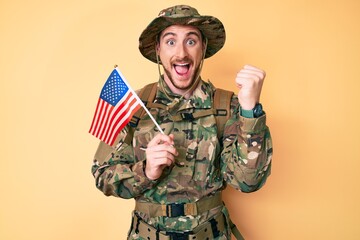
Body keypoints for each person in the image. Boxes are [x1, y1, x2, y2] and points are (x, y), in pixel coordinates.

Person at [92, 5, 272, 240]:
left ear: (203, 47)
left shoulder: (229, 106)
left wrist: (250, 112)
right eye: (170, 41)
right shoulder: (133, 106)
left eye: (191, 41)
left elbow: (248, 182)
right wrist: (146, 171)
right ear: (158, 49)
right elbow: (102, 176)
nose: (181, 54)